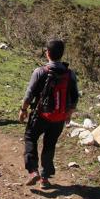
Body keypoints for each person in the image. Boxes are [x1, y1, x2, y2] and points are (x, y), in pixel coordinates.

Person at [19, 39, 79, 189]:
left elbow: (29, 94)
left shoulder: (40, 71)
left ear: (47, 53)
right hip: (59, 117)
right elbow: (75, 96)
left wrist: (24, 109)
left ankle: (33, 172)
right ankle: (45, 178)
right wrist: (68, 113)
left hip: (39, 115)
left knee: (30, 138)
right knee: (50, 144)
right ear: (62, 54)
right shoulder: (70, 74)